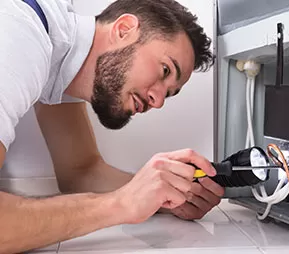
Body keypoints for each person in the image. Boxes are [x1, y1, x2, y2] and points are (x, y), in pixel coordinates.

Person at [0, 0, 224, 253]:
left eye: (169, 93)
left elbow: (81, 172)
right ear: (124, 29)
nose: (158, 101)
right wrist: (122, 204)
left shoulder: (61, 63)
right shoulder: (19, 34)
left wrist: (160, 194)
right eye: (164, 70)